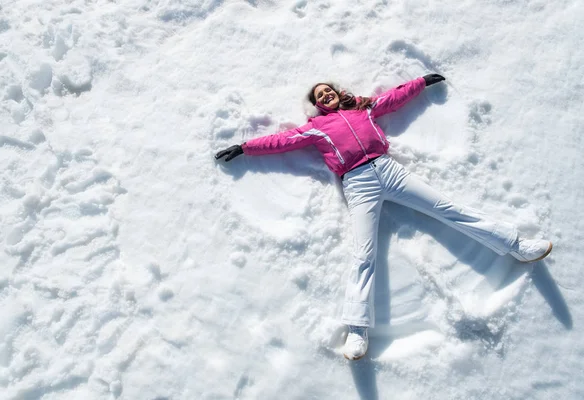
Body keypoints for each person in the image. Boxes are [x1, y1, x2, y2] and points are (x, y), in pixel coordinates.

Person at [214, 74, 553, 361]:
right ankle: (357, 331)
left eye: (328, 90)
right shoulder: (315, 129)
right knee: (364, 253)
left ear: (336, 92)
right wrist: (245, 148)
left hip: (389, 171)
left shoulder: (363, 108)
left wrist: (420, 82)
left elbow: (392, 99)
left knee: (448, 208)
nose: (326, 95)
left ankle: (517, 245)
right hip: (359, 183)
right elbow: (280, 141)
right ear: (317, 105)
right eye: (320, 96)